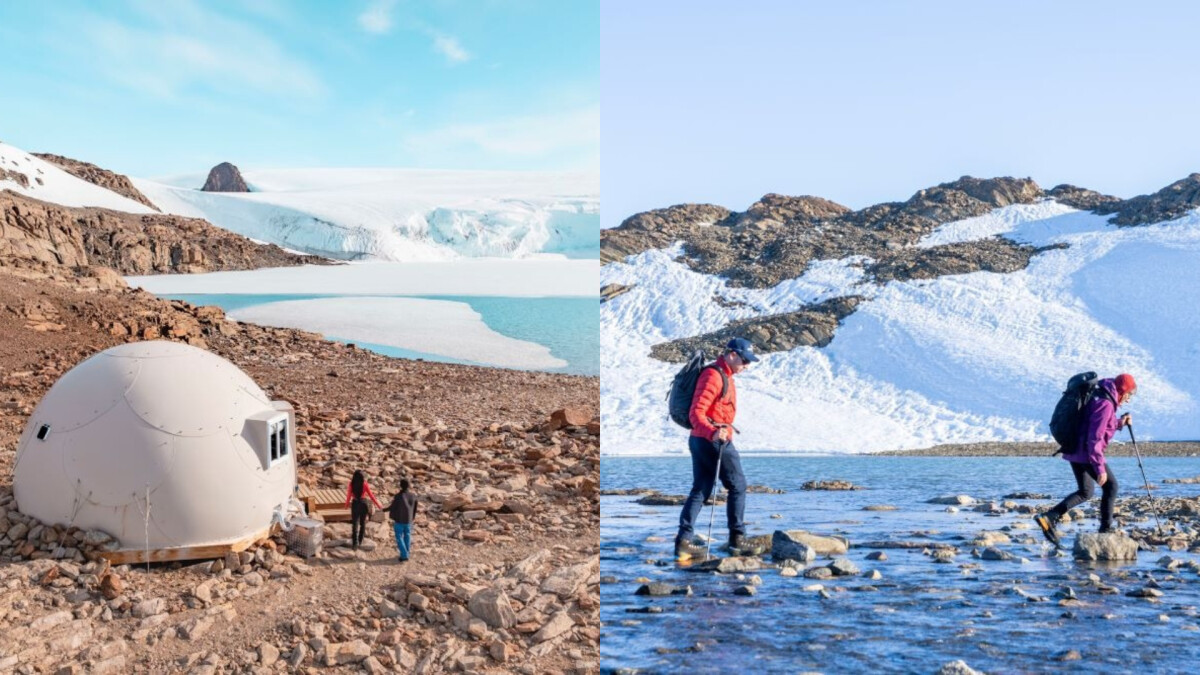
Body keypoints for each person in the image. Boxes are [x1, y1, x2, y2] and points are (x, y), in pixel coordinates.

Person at [675, 337, 758, 561]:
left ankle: (684, 542)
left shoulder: (724, 375)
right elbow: (696, 412)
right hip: (712, 439)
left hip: (702, 439)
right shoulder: (713, 376)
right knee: (738, 485)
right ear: (732, 355)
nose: (747, 365)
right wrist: (713, 431)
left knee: (701, 489)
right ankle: (738, 539)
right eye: (744, 360)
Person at [1036, 373, 1137, 545]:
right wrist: (1099, 468)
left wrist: (1120, 423)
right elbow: (1095, 438)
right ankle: (1105, 531)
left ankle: (1050, 517)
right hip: (1087, 453)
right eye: (1128, 395)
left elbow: (1101, 423)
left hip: (1075, 450)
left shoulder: (1101, 396)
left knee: (1086, 491)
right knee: (1111, 487)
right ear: (1122, 391)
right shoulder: (1105, 404)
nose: (1127, 400)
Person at [345, 470, 383, 550]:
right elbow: (371, 495)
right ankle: (360, 540)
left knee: (355, 523)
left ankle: (355, 543)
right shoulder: (365, 484)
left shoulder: (351, 484)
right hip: (363, 503)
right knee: (363, 523)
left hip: (355, 504)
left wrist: (346, 505)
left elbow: (348, 496)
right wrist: (378, 504)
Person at [387, 478, 419, 562]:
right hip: (409, 520)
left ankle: (404, 555)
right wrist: (412, 517)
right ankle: (406, 552)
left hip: (399, 520)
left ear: (400, 486)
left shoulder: (398, 496)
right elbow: (415, 508)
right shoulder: (413, 496)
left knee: (399, 536)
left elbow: (392, 507)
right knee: (407, 536)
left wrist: (384, 510)